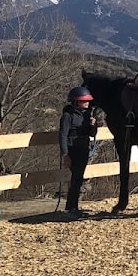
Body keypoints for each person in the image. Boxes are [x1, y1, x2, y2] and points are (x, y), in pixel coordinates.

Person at [59, 86, 98, 220]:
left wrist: (93, 126)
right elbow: (63, 135)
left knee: (79, 179)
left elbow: (92, 134)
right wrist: (65, 154)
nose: (87, 103)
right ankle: (70, 208)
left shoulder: (87, 115)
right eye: (83, 101)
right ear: (76, 102)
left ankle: (73, 207)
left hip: (83, 149)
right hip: (72, 150)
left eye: (87, 101)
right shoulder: (67, 116)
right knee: (76, 179)